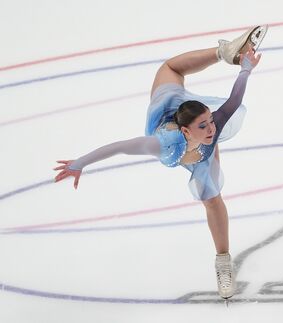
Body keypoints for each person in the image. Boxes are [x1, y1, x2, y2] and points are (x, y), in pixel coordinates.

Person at [53, 25, 268, 299]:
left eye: (211, 122)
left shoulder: (212, 125)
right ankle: (223, 51)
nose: (213, 128)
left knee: (211, 196)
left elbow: (234, 100)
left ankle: (223, 262)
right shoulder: (162, 143)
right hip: (168, 109)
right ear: (186, 131)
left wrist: (246, 69)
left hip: (196, 141)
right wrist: (80, 162)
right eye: (205, 126)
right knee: (172, 69)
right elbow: (119, 147)